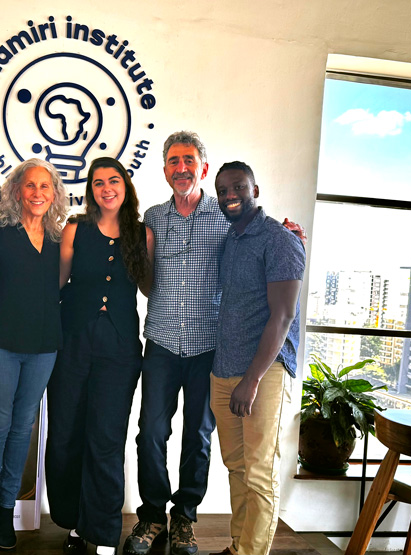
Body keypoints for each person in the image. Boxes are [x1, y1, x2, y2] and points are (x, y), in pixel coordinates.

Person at [125, 132, 305, 555]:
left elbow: (259, 238)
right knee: (150, 431)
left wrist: (289, 233)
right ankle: (152, 516)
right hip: (164, 342)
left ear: (202, 167)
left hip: (211, 347)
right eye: (173, 161)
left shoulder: (224, 217)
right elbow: (148, 284)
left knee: (199, 437)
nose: (181, 167)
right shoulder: (152, 218)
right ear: (165, 170)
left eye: (189, 160)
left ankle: (185, 518)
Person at [46, 157, 154, 555]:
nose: (105, 187)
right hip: (71, 342)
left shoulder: (142, 235)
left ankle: (105, 532)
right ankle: (74, 524)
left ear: (125, 185)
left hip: (120, 349)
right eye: (97, 182)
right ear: (90, 189)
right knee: (67, 433)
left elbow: (148, 288)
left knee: (107, 439)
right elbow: (55, 283)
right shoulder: (76, 228)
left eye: (113, 180)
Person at [0, 159, 68, 551]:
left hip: (43, 345)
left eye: (45, 187)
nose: (38, 193)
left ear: (55, 194)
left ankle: (7, 508)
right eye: (30, 186)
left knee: (22, 427)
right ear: (16, 191)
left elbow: (59, 286)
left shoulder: (61, 240)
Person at [210, 162, 304, 555]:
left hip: (263, 374)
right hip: (224, 370)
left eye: (238, 187)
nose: (230, 195)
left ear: (256, 190)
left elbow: (283, 315)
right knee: (238, 469)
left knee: (261, 472)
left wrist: (251, 380)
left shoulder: (279, 239)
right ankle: (238, 546)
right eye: (223, 190)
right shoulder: (231, 239)